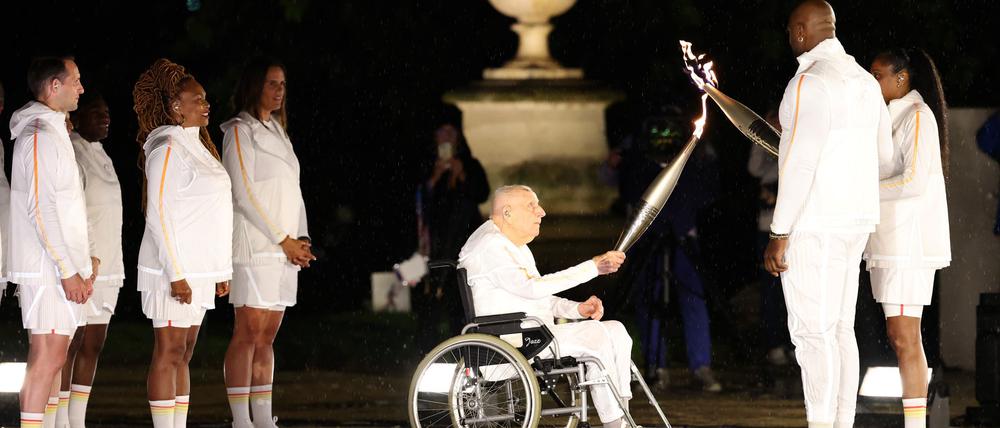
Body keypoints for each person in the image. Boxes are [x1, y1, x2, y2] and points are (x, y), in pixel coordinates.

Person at [762, 2, 892, 427]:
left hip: (815, 224)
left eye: (789, 31)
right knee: (838, 329)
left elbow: (799, 165)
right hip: (856, 220)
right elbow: (885, 159)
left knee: (811, 334)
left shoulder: (809, 82)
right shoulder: (866, 83)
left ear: (800, 32)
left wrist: (779, 231)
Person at [458, 185, 633, 427]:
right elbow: (533, 288)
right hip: (511, 340)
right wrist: (592, 267)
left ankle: (623, 415)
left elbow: (536, 297)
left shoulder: (512, 245)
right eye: (531, 206)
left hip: (531, 333)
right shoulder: (490, 246)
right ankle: (614, 423)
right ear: (507, 213)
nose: (541, 212)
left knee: (617, 330)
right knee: (596, 336)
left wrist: (577, 309)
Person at [133, 58, 233, 428]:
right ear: (176, 107)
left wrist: (222, 269)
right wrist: (176, 274)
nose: (206, 105)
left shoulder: (196, 145)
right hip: (174, 270)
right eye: (198, 99)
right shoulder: (166, 147)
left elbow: (216, 212)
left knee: (185, 353)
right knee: (170, 350)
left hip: (202, 270)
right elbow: (158, 214)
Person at [221, 57, 315, 428]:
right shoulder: (239, 130)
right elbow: (242, 192)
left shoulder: (278, 130)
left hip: (285, 252)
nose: (279, 91)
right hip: (257, 248)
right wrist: (282, 239)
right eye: (272, 83)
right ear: (254, 85)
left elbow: (294, 190)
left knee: (267, 338)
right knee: (248, 333)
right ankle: (240, 419)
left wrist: (302, 237)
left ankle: (262, 418)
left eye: (282, 85)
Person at [866, 48, 951, 428]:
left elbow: (913, 182)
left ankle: (915, 424)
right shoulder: (887, 118)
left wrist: (863, 189)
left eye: (879, 74)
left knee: (905, 337)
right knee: (899, 335)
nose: (873, 81)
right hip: (888, 242)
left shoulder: (918, 117)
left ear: (902, 78)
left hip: (908, 245)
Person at [8, 56, 94, 428]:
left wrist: (82, 261)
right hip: (47, 269)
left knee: (51, 357)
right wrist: (67, 269)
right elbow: (41, 210)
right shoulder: (39, 135)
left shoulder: (53, 131)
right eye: (75, 80)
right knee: (47, 357)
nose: (82, 88)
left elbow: (63, 206)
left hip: (56, 266)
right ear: (53, 86)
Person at [50, 91, 122, 428]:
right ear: (76, 118)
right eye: (96, 112)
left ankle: (77, 418)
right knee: (72, 342)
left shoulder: (102, 154)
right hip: (83, 265)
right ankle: (59, 417)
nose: (104, 117)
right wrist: (84, 259)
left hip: (109, 264)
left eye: (106, 112)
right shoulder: (74, 150)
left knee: (93, 343)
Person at [414, 119, 489, 352]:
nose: (445, 139)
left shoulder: (470, 164)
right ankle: (429, 351)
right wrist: (435, 177)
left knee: (462, 300)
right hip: (436, 243)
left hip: (463, 240)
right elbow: (422, 203)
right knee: (432, 300)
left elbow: (480, 194)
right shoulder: (428, 165)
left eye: (450, 135)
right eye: (441, 135)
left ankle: (466, 348)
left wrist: (462, 175)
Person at [748, 109, 793, 367]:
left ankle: (791, 344)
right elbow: (754, 169)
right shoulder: (767, 147)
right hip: (767, 227)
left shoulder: (797, 142)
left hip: (793, 230)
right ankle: (774, 343)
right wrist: (763, 132)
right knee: (770, 288)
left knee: (792, 289)